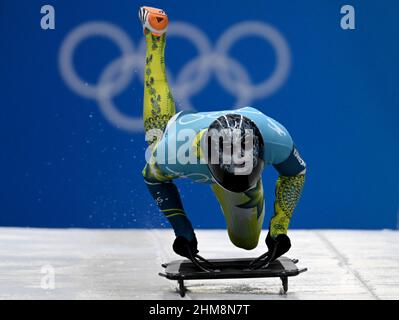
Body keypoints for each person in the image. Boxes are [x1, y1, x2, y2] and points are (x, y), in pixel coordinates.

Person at [139, 6, 306, 269]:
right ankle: (154, 37)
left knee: (246, 242)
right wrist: (182, 231)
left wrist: (279, 228)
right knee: (157, 134)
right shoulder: (173, 152)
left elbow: (296, 173)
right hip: (183, 136)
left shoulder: (274, 137)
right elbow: (152, 180)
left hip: (236, 147)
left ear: (257, 152)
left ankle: (246, 186)